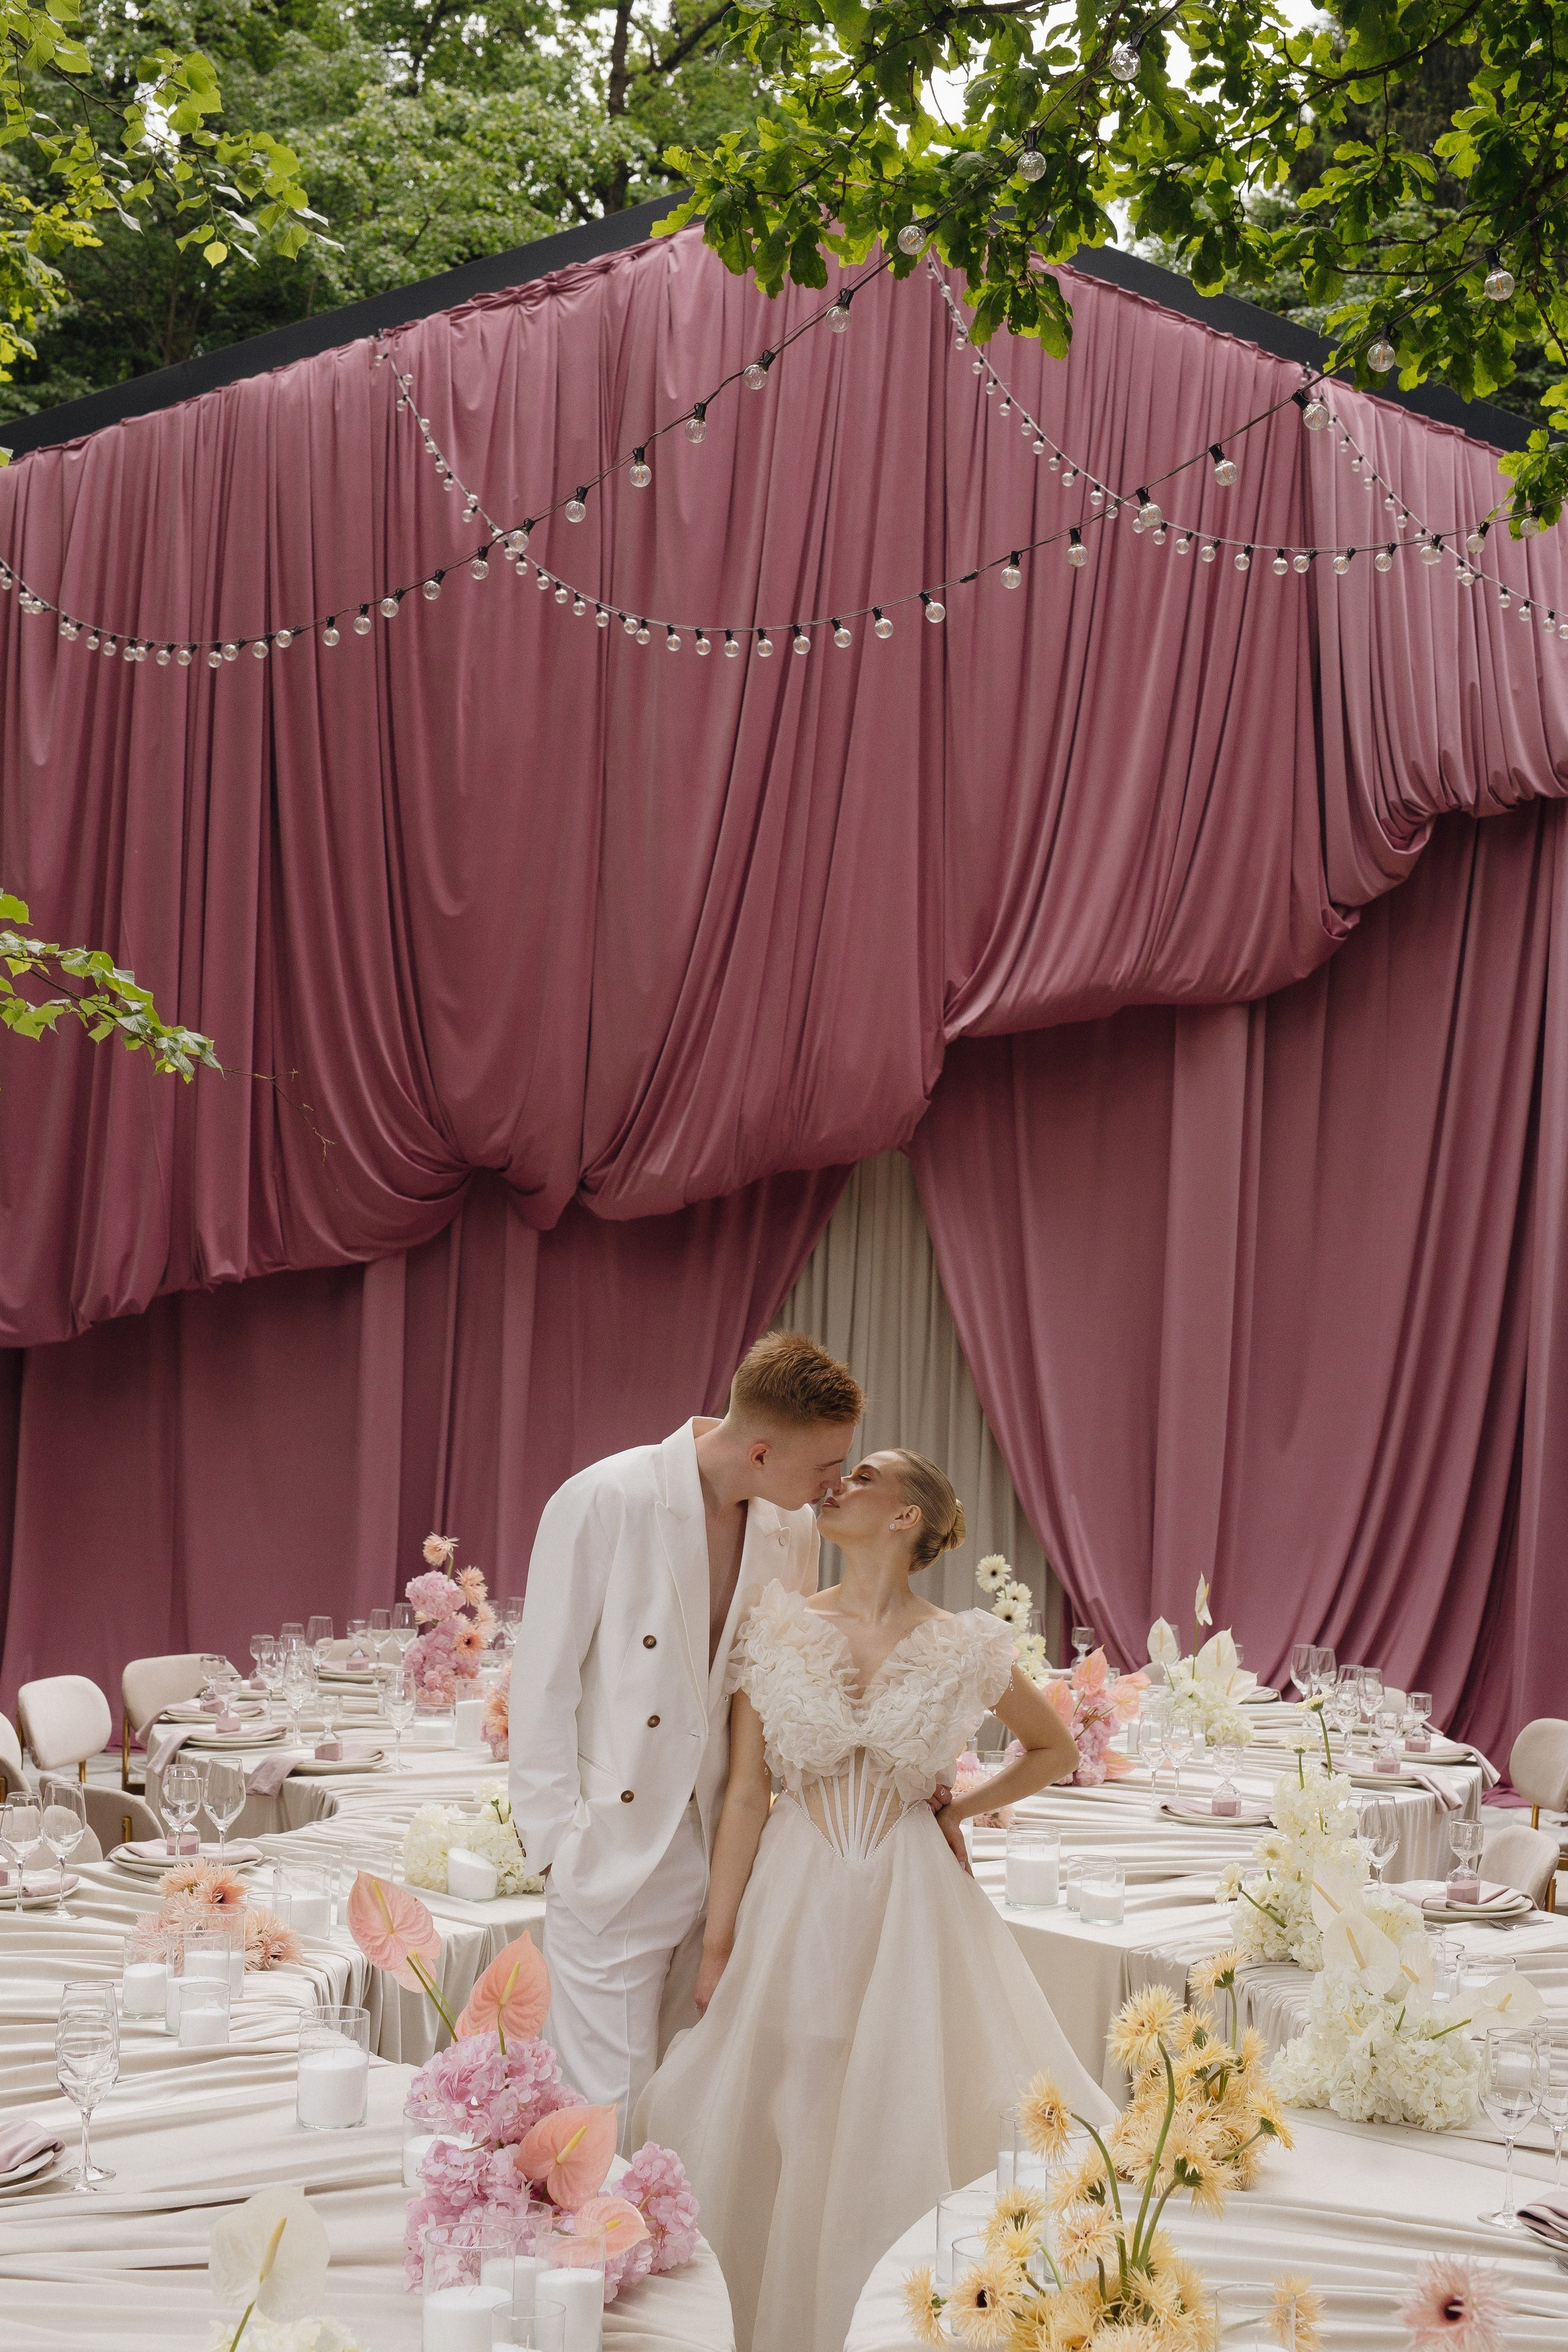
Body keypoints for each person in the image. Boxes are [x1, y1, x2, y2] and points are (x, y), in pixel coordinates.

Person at [635, 1447, 1112, 2352]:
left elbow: (1052, 1750)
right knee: (791, 2093)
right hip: (795, 1896)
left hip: (911, 1901)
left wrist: (955, 1808)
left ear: (907, 1518)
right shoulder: (775, 1629)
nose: (837, 1484)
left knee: (903, 2098)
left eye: (864, 1476)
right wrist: (717, 1944)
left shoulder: (965, 1643)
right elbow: (745, 1793)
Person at [508, 1330, 864, 2139]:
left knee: (688, 2105)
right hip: (613, 1849)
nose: (834, 1483)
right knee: (603, 2112)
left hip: (727, 1856)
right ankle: (591, 2262)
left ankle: (670, 2264)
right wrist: (557, 1846)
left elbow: (777, 1691)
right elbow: (543, 1684)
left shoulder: (791, 1528)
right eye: (824, 1466)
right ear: (766, 1451)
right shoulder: (605, 1500)